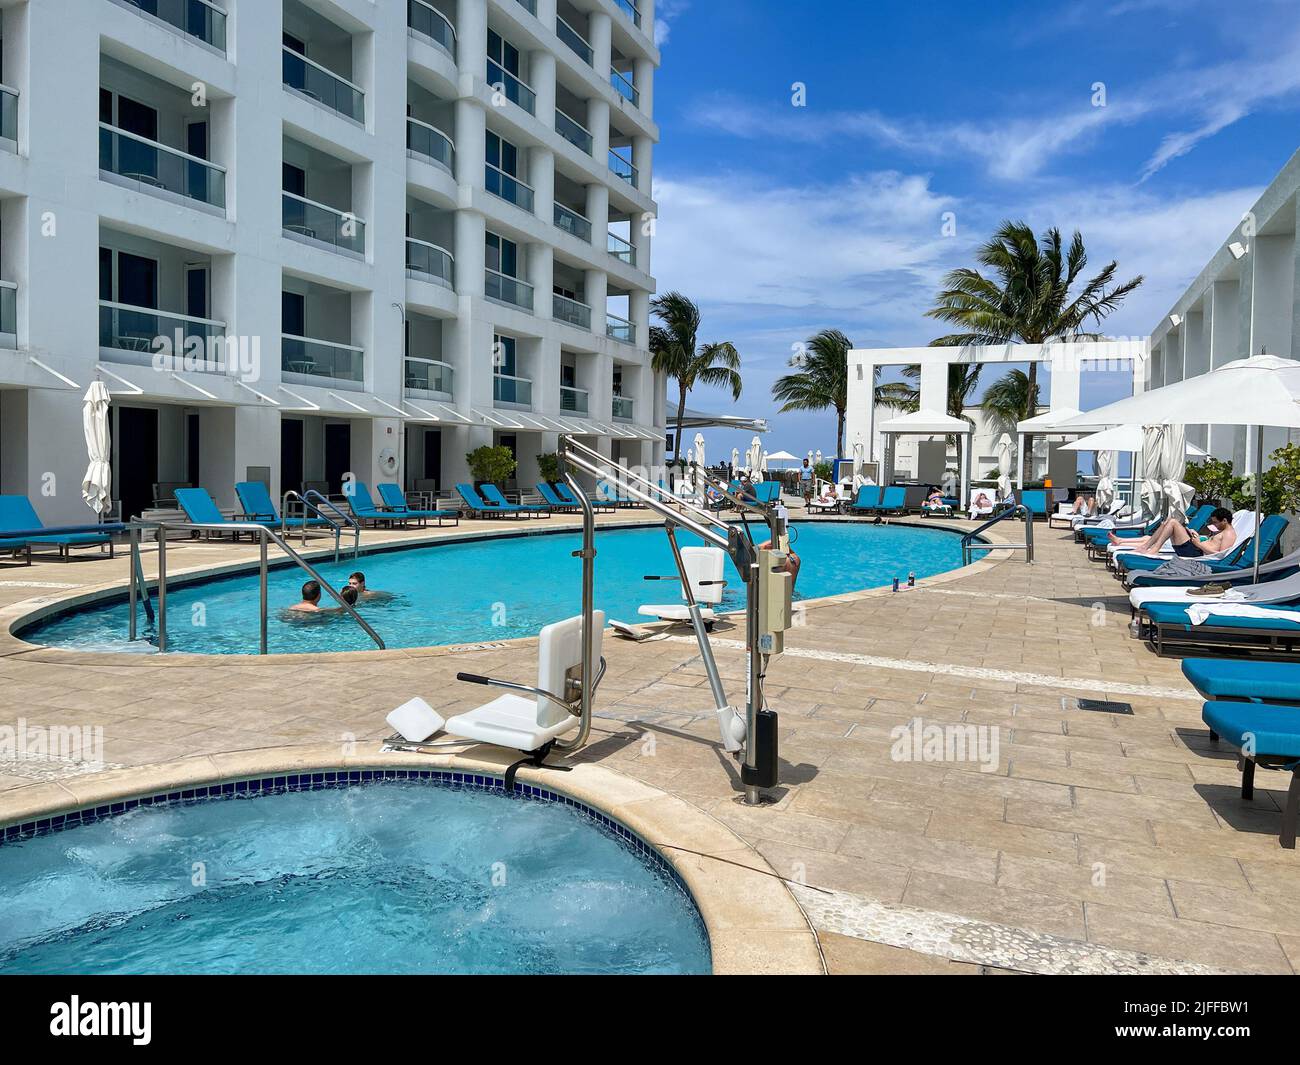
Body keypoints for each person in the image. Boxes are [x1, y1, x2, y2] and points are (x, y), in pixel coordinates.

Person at [1111, 507, 1237, 559]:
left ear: (1225, 520)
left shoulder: (1229, 534)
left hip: (1195, 553)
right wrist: (1200, 538)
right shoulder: (1223, 531)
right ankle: (1145, 546)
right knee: (1166, 523)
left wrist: (1199, 544)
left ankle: (1152, 549)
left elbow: (1220, 555)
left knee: (1172, 522)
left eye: (1215, 522)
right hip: (1195, 548)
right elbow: (1212, 544)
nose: (1214, 525)